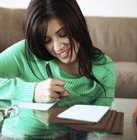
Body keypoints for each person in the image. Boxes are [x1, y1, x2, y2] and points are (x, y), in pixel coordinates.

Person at [0, 0, 116, 139]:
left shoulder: (103, 67)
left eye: (63, 34)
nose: (57, 47)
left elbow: (100, 126)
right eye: (46, 40)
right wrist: (32, 91)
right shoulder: (25, 52)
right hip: (20, 136)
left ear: (77, 25)